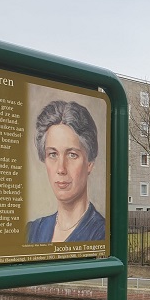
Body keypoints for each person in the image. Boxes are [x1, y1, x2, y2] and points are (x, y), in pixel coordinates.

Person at [26, 100, 105, 243]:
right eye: (53, 154)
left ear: (89, 164)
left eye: (72, 154)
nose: (61, 169)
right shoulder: (32, 231)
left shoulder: (101, 233)